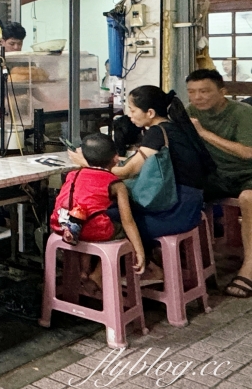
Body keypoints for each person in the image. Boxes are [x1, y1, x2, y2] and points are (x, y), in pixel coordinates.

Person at [69, 86, 214, 283]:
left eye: (133, 109)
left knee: (104, 219)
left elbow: (127, 171)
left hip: (174, 212)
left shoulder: (157, 132)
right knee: (115, 211)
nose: (129, 115)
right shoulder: (176, 128)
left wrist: (86, 162)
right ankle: (119, 271)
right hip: (191, 207)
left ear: (150, 113)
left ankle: (98, 277)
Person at [186, 69, 252, 298]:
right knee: (183, 192)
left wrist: (203, 133)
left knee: (249, 198)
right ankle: (190, 261)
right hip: (217, 175)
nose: (197, 98)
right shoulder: (190, 112)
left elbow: (247, 152)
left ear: (222, 92)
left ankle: (249, 268)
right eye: (192, 92)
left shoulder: (242, 113)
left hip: (247, 174)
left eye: (204, 91)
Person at [54, 133, 145, 292]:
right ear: (116, 159)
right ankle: (97, 274)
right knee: (115, 229)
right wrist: (140, 250)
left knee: (87, 219)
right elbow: (127, 221)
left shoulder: (72, 174)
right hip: (91, 230)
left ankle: (84, 270)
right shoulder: (116, 184)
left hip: (62, 226)